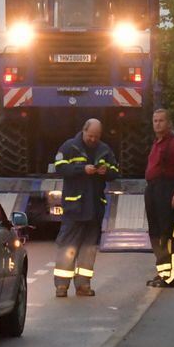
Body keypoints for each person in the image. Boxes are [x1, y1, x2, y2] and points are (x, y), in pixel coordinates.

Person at [52, 118, 119, 297]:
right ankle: (61, 286)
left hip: (95, 208)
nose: (93, 140)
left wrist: (107, 171)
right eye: (90, 136)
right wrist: (82, 169)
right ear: (83, 131)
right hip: (74, 208)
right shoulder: (69, 146)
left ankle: (83, 286)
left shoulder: (104, 149)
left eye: (96, 137)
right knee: (67, 247)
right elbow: (59, 167)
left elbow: (115, 170)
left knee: (89, 250)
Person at [145, 108, 174, 288]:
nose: (157, 124)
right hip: (154, 190)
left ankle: (172, 277)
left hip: (168, 190)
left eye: (161, 120)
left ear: (169, 123)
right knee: (156, 233)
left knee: (169, 235)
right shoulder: (157, 143)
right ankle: (163, 273)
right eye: (155, 120)